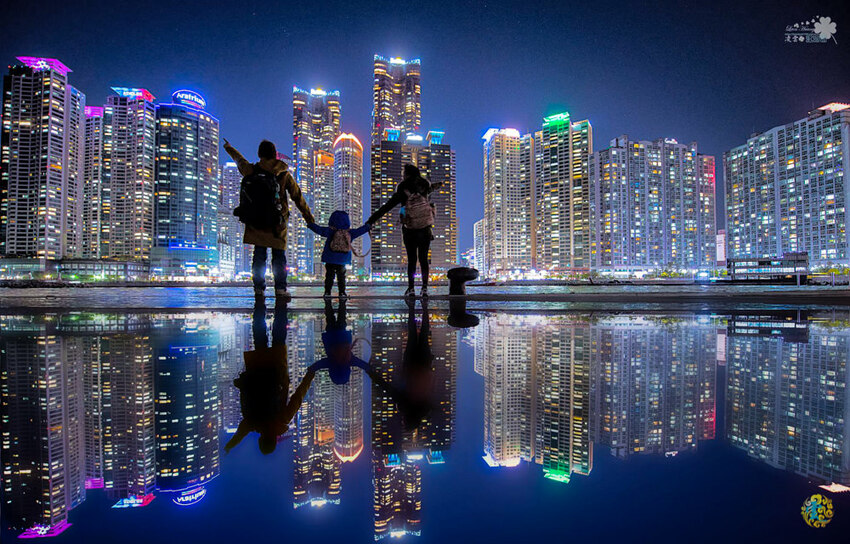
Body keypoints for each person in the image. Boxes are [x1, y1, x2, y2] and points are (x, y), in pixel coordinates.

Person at [223, 138, 315, 300]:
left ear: (260, 154)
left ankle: (259, 288)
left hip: (256, 221)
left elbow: (239, 160)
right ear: (275, 154)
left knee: (259, 256)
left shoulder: (251, 170)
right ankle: (280, 289)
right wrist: (309, 218)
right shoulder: (283, 174)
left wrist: (229, 148)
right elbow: (297, 197)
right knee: (279, 257)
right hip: (277, 224)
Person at [225, 300, 317, 455]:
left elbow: (298, 396)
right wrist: (229, 446)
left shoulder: (282, 420)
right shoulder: (252, 423)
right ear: (261, 440)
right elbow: (239, 434)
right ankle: (259, 301)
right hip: (257, 370)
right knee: (259, 337)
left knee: (278, 337)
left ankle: (280, 304)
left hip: (277, 372)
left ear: (274, 439)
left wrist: (310, 374)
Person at [366, 163, 443, 298]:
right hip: (425, 229)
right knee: (424, 259)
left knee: (412, 260)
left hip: (410, 229)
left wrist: (371, 220)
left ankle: (411, 289)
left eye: (403, 172)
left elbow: (387, 207)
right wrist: (437, 185)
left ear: (406, 174)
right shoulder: (425, 186)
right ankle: (424, 289)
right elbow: (430, 189)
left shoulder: (403, 189)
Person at [307, 210, 370, 299]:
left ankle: (327, 292)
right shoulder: (349, 233)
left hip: (330, 259)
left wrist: (310, 225)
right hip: (342, 260)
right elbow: (360, 231)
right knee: (341, 277)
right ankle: (342, 293)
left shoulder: (330, 231)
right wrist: (367, 227)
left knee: (329, 276)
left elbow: (319, 230)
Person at [309, 299, 370, 384]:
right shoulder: (331, 362)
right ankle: (328, 300)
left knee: (341, 316)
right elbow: (318, 365)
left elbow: (363, 365)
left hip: (342, 336)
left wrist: (370, 369)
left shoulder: (349, 361)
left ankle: (342, 300)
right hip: (331, 336)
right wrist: (310, 369)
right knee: (330, 317)